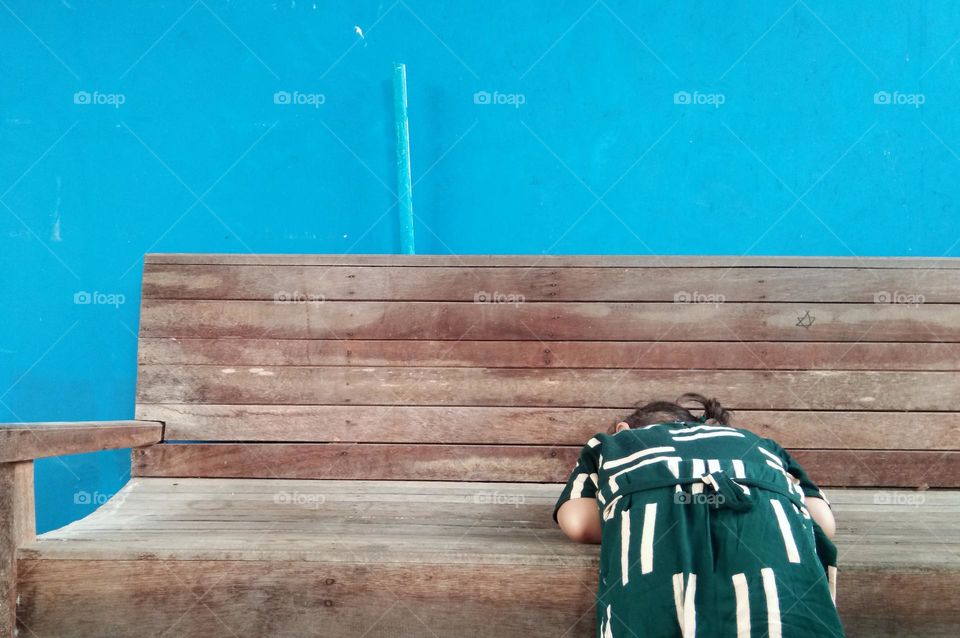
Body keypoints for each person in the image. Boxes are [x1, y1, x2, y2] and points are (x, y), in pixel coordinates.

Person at [554, 393, 843, 637]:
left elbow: (578, 523)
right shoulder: (759, 443)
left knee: (655, 611)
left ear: (623, 427)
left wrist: (625, 516)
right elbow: (823, 522)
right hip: (768, 520)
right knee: (783, 615)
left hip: (658, 527)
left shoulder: (614, 443)